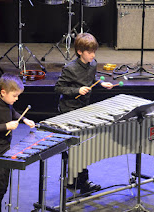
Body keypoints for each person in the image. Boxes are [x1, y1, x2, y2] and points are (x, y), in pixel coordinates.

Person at [54, 33, 113, 194]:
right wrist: (76, 90)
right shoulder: (70, 68)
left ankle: (79, 181)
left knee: (83, 147)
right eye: (89, 52)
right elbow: (58, 88)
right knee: (73, 148)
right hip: (68, 110)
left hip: (83, 109)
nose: (93, 55)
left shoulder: (92, 63)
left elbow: (92, 78)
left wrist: (102, 83)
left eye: (94, 52)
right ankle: (73, 180)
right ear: (80, 51)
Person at [0, 73, 35, 212]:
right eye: (14, 96)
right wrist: (6, 126)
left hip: (4, 150)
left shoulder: (6, 102)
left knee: (2, 188)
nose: (16, 99)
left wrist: (24, 119)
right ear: (3, 92)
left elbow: (12, 111)